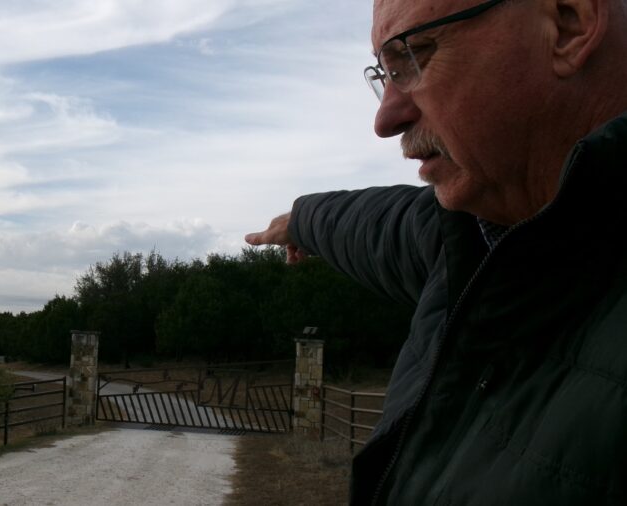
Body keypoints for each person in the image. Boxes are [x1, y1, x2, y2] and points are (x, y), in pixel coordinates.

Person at [246, 0, 627, 503]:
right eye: (384, 74)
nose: (385, 119)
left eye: (415, 54)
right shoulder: (472, 235)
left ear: (569, 24)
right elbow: (372, 224)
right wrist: (300, 220)